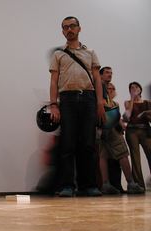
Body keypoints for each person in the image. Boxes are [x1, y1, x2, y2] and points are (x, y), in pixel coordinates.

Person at [49, 16, 106, 197]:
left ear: (79, 29)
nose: (69, 30)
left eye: (72, 26)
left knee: (88, 145)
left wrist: (100, 102)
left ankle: (90, 185)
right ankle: (67, 185)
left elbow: (97, 79)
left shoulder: (90, 53)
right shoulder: (58, 55)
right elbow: (53, 82)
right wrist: (53, 105)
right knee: (68, 144)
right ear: (63, 32)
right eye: (65, 27)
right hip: (67, 99)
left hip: (88, 98)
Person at [98, 68, 144, 194]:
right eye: (107, 72)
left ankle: (106, 184)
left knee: (104, 155)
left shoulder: (105, 93)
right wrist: (119, 122)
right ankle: (130, 183)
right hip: (108, 126)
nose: (110, 75)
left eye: (111, 73)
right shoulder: (100, 89)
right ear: (100, 75)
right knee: (122, 153)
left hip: (104, 125)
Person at [123, 81, 151, 189]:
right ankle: (139, 184)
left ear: (140, 89)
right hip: (132, 130)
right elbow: (128, 114)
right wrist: (132, 100)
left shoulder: (147, 102)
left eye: (136, 87)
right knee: (135, 158)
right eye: (132, 88)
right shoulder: (127, 102)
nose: (134, 89)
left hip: (145, 129)